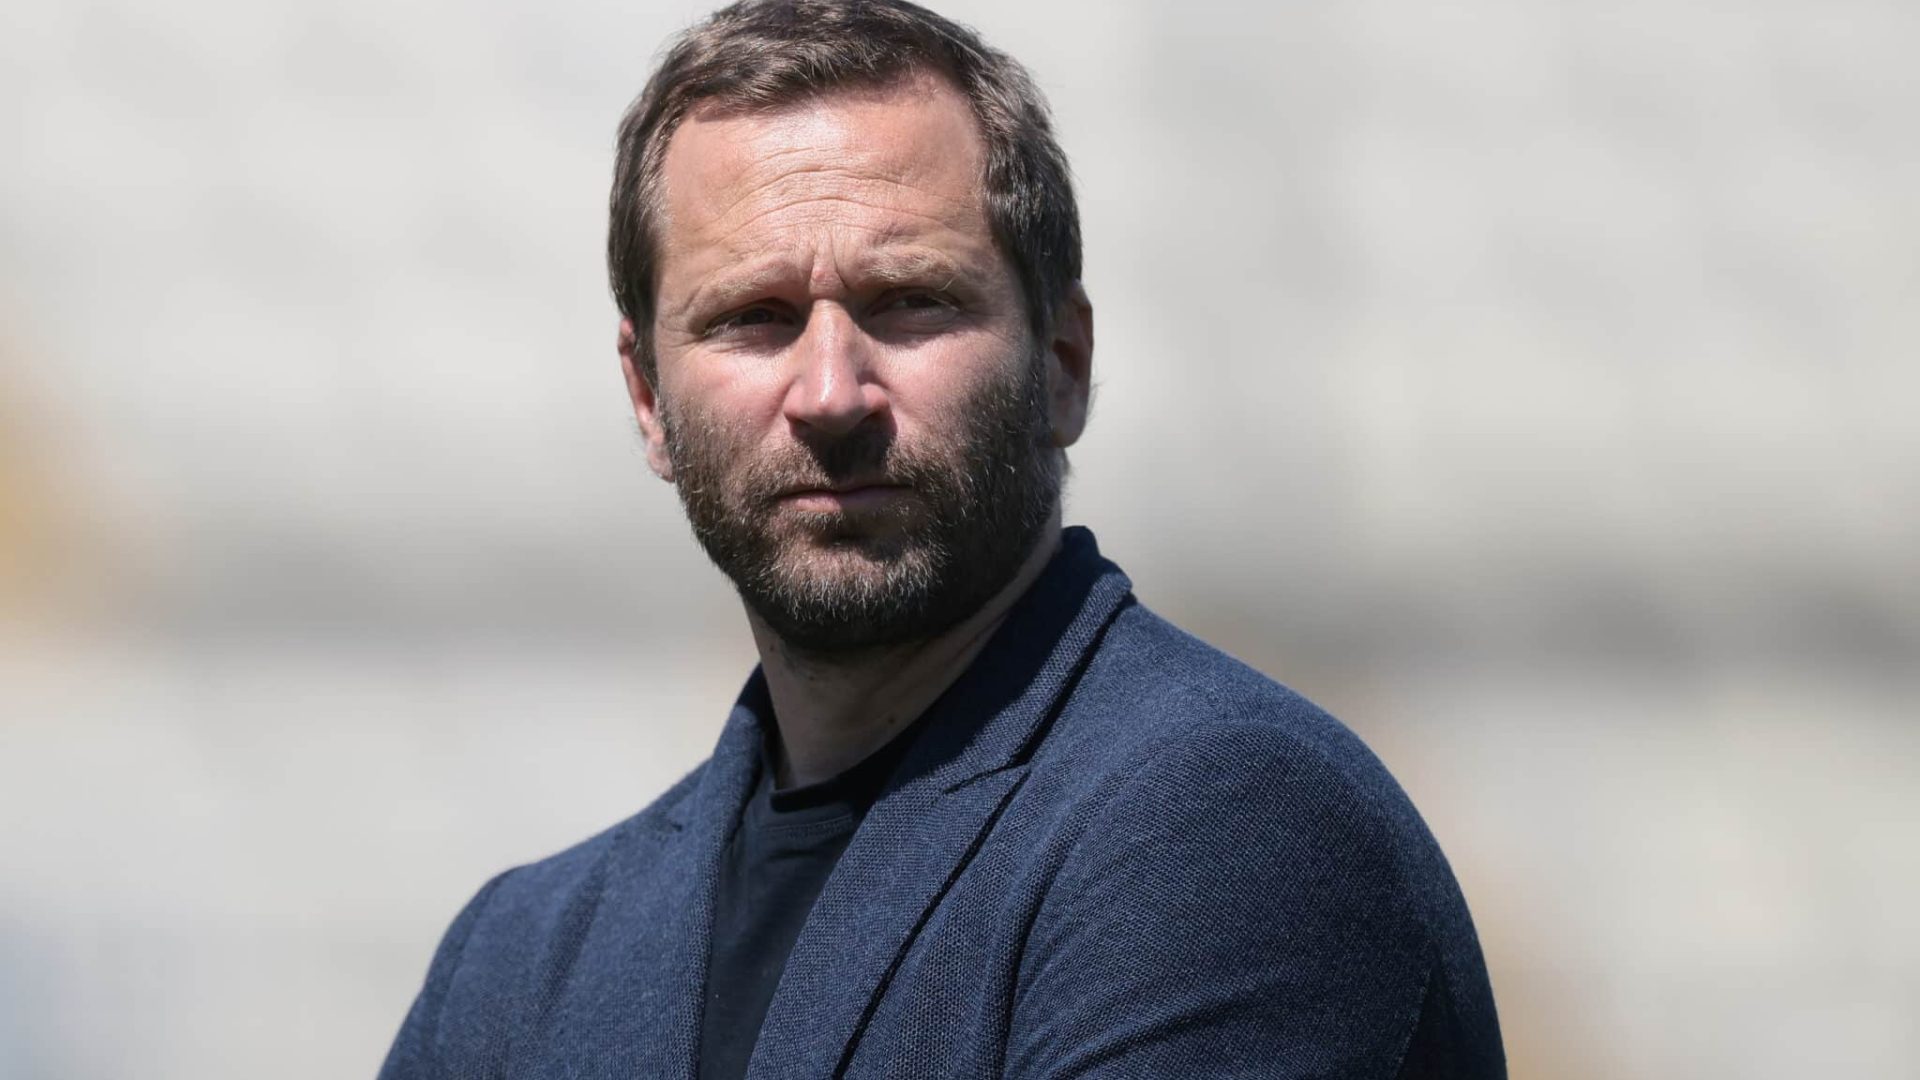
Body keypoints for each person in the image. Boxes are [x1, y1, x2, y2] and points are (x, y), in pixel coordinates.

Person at [378, 1, 1505, 1076]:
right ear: (647, 398)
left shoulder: (1222, 827)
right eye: (754, 318)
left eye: (910, 301)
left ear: (1061, 364)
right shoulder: (517, 964)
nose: (831, 393)